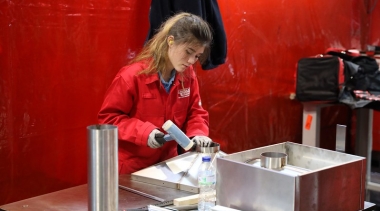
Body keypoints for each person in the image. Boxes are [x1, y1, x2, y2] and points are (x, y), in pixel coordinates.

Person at [98, 12, 213, 174]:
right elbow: (109, 119)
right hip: (132, 169)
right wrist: (145, 132)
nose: (191, 61)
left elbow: (195, 112)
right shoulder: (131, 76)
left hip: (169, 166)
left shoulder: (188, 77)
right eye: (188, 51)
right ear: (171, 41)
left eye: (197, 56)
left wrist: (198, 134)